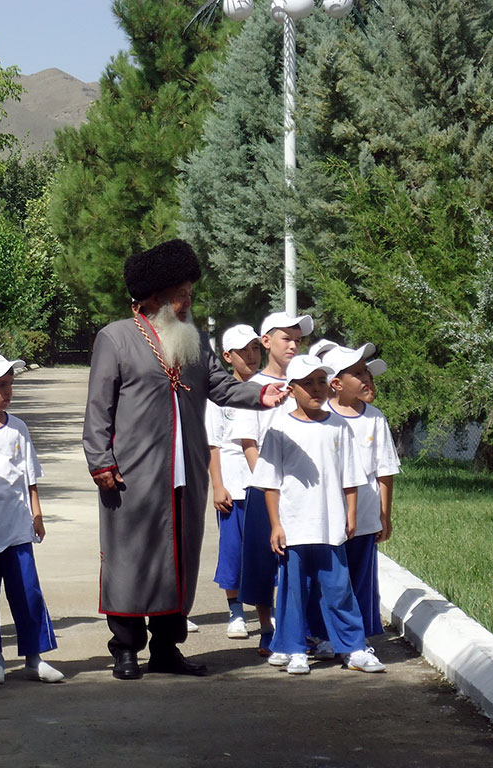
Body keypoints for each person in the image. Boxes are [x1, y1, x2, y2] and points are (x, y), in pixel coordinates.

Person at [82, 239, 287, 681]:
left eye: (190, 292)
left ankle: (166, 649)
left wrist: (261, 394)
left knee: (179, 559)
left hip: (186, 471)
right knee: (131, 558)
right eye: (181, 293)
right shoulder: (115, 337)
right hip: (131, 472)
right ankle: (126, 649)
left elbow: (221, 385)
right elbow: (98, 407)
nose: (188, 301)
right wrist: (100, 460)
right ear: (154, 297)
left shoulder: (192, 340)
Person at [251, 354, 386, 675]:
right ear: (291, 389)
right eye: (307, 383)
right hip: (294, 528)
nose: (315, 388)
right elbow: (270, 483)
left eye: (321, 381)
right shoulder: (280, 427)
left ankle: (353, 647)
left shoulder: (339, 426)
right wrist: (276, 525)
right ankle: (295, 648)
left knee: (340, 589)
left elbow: (351, 476)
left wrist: (351, 514)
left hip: (331, 528)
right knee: (293, 591)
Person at [0, 352, 64, 685]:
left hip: (18, 525)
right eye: (1, 386)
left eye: (10, 385)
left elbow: (28, 475)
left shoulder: (17, 427)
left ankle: (35, 658)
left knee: (27, 591)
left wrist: (37, 513)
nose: (8, 392)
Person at [228, 311, 314, 656]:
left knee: (299, 560)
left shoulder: (307, 382)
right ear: (266, 342)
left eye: (298, 340)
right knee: (264, 563)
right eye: (286, 338)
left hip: (303, 490)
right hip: (265, 490)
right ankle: (266, 628)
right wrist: (265, 484)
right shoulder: (252, 388)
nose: (293, 345)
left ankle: (301, 626)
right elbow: (248, 441)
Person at [317, 344, 400, 642]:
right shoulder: (319, 416)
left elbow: (385, 470)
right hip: (326, 518)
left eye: (367, 372)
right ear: (336, 383)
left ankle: (358, 639)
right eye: (357, 373)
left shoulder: (375, 419)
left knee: (360, 579)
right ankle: (325, 635)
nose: (367, 378)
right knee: (329, 579)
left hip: (364, 517)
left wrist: (384, 515)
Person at [205, 324, 263, 641]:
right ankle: (236, 610)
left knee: (267, 550)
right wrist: (218, 485)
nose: (251, 356)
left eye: (255, 349)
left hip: (265, 483)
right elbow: (213, 444)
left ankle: (270, 610)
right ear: (228, 357)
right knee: (233, 551)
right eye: (243, 351)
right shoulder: (218, 397)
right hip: (232, 482)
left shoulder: (268, 390)